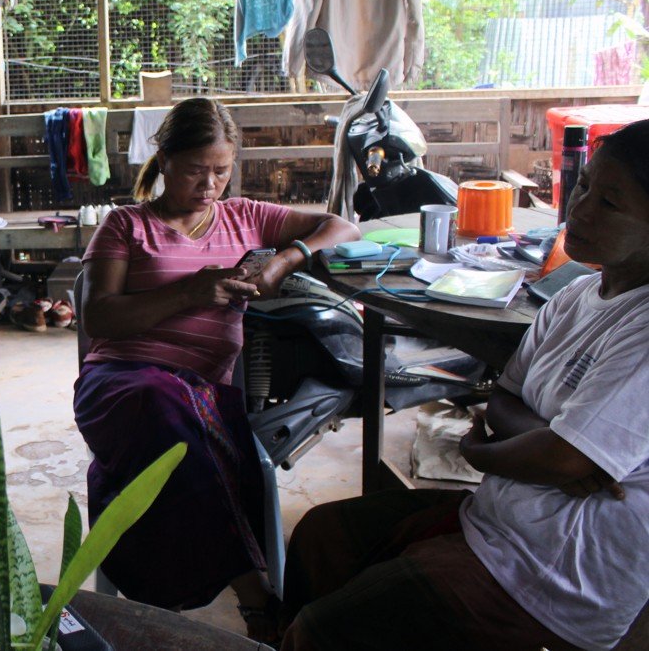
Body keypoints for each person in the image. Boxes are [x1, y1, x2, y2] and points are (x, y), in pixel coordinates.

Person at [278, 121, 649, 651]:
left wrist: (482, 451)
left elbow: (561, 458)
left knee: (321, 633)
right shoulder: (577, 294)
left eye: (611, 204)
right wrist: (550, 443)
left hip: (554, 574)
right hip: (498, 519)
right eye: (585, 186)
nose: (582, 209)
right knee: (322, 538)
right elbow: (507, 397)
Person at [73, 97, 360, 641]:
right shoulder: (125, 226)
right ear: (164, 161)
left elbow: (343, 226)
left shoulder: (247, 217)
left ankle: (236, 592)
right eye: (194, 171)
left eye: (221, 171)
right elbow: (100, 317)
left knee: (184, 420)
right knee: (162, 403)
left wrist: (284, 259)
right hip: (121, 384)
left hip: (203, 391)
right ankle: (256, 596)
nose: (210, 185)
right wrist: (191, 290)